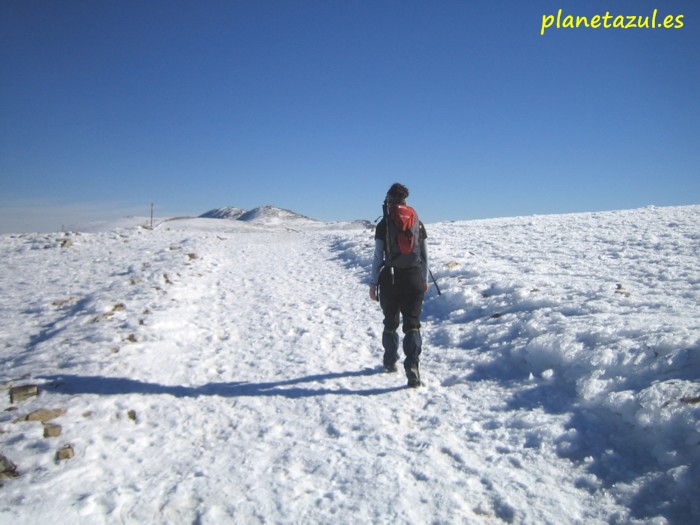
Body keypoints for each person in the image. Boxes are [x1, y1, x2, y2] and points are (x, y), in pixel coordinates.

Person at [369, 183, 429, 388]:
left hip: (390, 278)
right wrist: (424, 279)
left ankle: (390, 360)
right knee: (412, 324)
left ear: (389, 200)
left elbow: (378, 257)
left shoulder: (384, 224)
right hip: (413, 278)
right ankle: (413, 367)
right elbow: (424, 255)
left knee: (390, 322)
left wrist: (373, 282)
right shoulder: (417, 223)